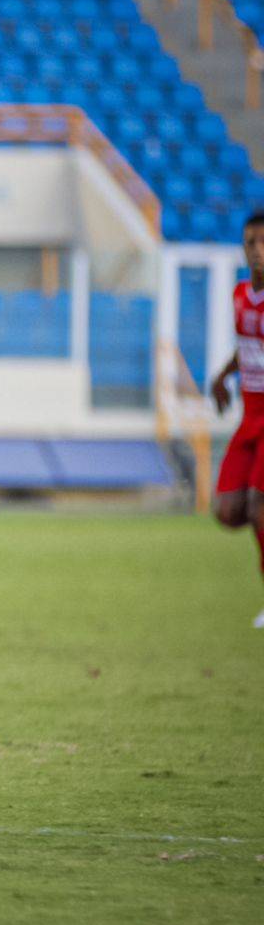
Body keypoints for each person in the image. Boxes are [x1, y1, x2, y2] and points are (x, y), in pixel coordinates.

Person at [209, 211, 264, 628]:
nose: (257, 251)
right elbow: (246, 346)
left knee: (260, 509)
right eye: (250, 243)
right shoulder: (240, 295)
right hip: (250, 419)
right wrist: (224, 376)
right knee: (228, 510)